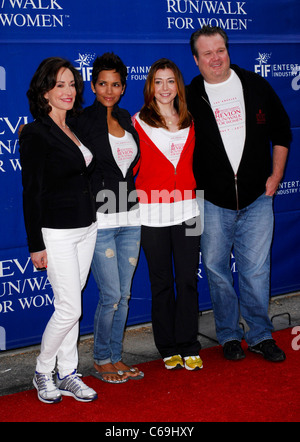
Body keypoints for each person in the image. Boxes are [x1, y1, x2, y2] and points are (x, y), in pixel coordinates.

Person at [187, 26, 292, 362]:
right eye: (208, 53)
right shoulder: (189, 96)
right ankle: (229, 335)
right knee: (216, 270)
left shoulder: (255, 85)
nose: (216, 58)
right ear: (196, 59)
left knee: (257, 271)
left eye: (220, 50)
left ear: (227, 50)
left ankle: (260, 335)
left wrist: (275, 176)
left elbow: (282, 132)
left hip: (258, 198)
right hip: (211, 202)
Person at [19, 57, 98, 404]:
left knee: (70, 302)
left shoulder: (77, 124)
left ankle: (67, 373)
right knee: (70, 308)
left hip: (87, 227)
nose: (68, 91)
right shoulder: (36, 133)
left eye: (71, 84)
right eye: (59, 85)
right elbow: (31, 192)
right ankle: (42, 370)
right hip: (57, 232)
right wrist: (36, 244)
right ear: (45, 91)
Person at [72, 53, 143, 383]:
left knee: (125, 296)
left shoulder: (128, 118)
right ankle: (101, 359)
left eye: (115, 84)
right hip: (101, 220)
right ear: (93, 85)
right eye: (103, 84)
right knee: (111, 295)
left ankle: (116, 357)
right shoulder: (82, 120)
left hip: (131, 215)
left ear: (123, 87)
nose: (109, 90)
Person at [133, 58, 203, 371]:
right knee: (161, 282)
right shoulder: (136, 122)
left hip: (189, 210)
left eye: (170, 81)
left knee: (187, 279)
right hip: (151, 213)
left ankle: (189, 343)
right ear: (150, 86)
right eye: (158, 81)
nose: (164, 88)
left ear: (178, 86)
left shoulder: (190, 120)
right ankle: (168, 346)